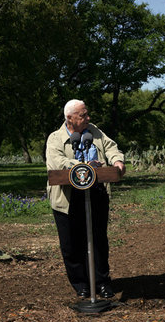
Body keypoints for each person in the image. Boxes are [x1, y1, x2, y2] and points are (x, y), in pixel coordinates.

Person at [46, 99, 126, 299]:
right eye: (83, 115)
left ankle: (102, 283)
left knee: (98, 240)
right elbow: (58, 162)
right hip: (68, 199)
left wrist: (117, 161)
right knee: (71, 244)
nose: (88, 118)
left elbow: (110, 147)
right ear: (69, 118)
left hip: (96, 193)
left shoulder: (94, 130)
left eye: (87, 114)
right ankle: (80, 284)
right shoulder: (55, 139)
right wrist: (85, 166)